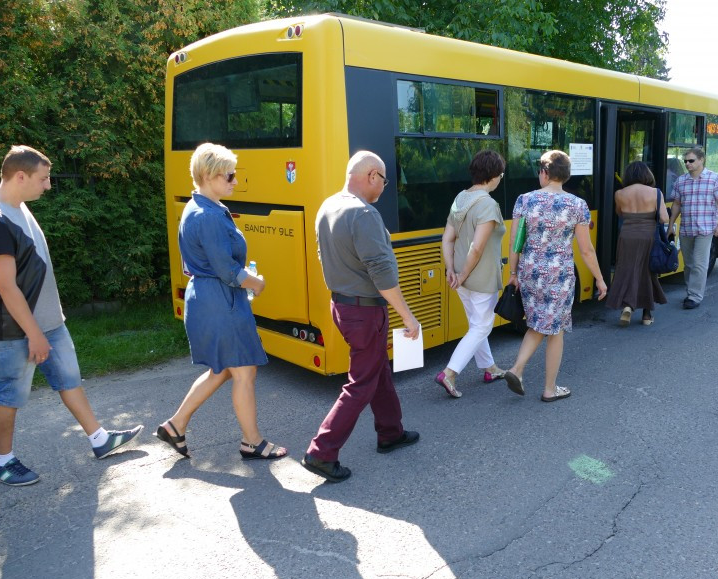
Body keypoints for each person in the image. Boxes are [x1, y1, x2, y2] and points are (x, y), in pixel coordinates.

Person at [0, 146, 142, 486]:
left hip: (49, 322)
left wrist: (47, 325)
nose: (48, 185)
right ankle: (3, 463)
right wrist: (34, 334)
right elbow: (6, 287)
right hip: (15, 329)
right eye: (43, 179)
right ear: (20, 176)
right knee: (9, 394)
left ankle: (99, 439)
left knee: (69, 378)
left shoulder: (20, 206)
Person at [155, 143, 286, 461]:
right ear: (209, 175)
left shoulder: (199, 207)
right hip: (221, 301)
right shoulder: (208, 215)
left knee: (224, 370)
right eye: (229, 176)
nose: (235, 181)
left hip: (211, 298)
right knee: (244, 372)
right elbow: (227, 270)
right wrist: (257, 282)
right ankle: (252, 442)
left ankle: (175, 425)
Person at [301, 151, 421, 483]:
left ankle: (390, 432)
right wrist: (408, 317)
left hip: (342, 305)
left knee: (377, 369)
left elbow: (326, 256)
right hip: (365, 311)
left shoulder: (328, 206)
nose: (384, 187)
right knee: (361, 382)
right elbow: (382, 273)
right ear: (371, 176)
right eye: (384, 180)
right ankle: (321, 452)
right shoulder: (364, 214)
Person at [503, 150, 607, 402]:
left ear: (545, 173)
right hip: (559, 274)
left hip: (530, 271)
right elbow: (586, 249)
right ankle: (547, 388)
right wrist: (600, 278)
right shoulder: (577, 205)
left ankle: (518, 369)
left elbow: (516, 242)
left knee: (538, 322)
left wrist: (513, 273)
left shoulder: (525, 200)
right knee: (555, 328)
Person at [435, 150, 508, 398]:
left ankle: (489, 368)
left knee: (477, 324)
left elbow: (447, 239)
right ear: (493, 175)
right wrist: (464, 274)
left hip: (459, 275)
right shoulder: (488, 204)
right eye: (501, 175)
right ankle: (450, 373)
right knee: (482, 326)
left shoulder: (460, 198)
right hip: (480, 277)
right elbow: (476, 248)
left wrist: (452, 270)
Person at [606, 161, 668, 326]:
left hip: (627, 236)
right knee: (648, 272)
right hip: (648, 236)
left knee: (627, 270)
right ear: (647, 175)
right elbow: (664, 218)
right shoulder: (655, 193)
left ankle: (627, 306)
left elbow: (620, 213)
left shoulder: (619, 193)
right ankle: (646, 315)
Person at [667, 147, 718, 309]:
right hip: (686, 229)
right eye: (685, 161)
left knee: (699, 263)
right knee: (688, 264)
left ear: (701, 160)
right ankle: (690, 292)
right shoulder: (681, 181)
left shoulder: (714, 178)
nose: (687, 164)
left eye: (691, 160)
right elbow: (676, 204)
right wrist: (671, 225)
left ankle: (694, 296)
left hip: (706, 229)